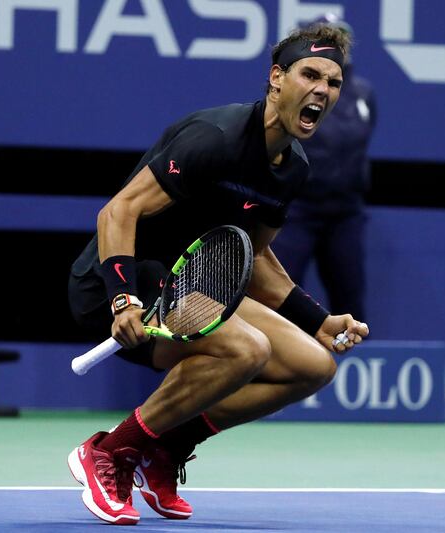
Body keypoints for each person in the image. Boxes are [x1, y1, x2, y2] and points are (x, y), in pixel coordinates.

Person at [67, 23, 369, 526]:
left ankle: (166, 448)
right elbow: (117, 213)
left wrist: (318, 321)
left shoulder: (292, 168)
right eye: (310, 74)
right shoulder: (215, 137)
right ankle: (110, 453)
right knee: (246, 348)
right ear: (276, 79)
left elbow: (253, 262)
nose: (322, 90)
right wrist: (122, 298)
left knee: (313, 365)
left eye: (333, 83)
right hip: (121, 281)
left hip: (192, 287)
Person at [272, 14, 376, 321]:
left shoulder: (364, 93)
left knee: (350, 300)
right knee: (283, 295)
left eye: (340, 39)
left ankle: (348, 362)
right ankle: (281, 364)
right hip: (297, 211)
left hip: (345, 214)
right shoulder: (296, 89)